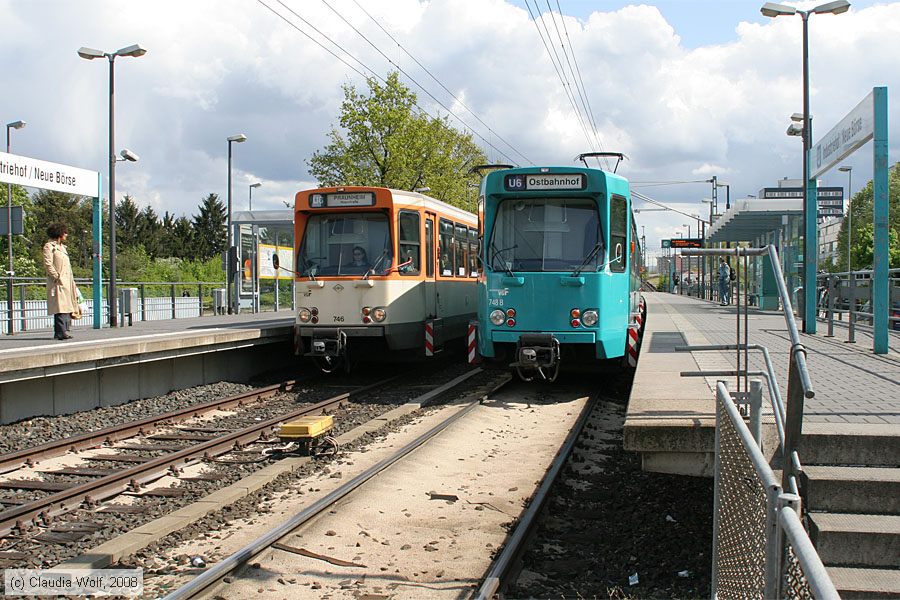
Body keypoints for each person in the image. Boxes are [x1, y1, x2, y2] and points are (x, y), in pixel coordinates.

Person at [43, 223, 78, 340]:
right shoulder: (49, 247)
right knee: (60, 306)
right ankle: (60, 332)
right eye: (65, 233)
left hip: (67, 281)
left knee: (67, 306)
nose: (66, 235)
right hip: (58, 281)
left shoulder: (63, 248)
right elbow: (48, 263)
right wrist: (56, 276)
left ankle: (63, 331)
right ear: (59, 233)